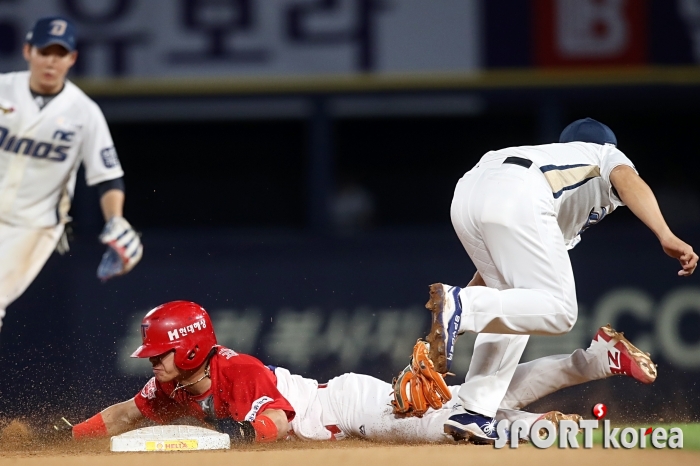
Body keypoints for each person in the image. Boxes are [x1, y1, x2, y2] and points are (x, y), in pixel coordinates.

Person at [422, 118, 694, 443]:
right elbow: (626, 178)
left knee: (516, 305)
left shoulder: (560, 177)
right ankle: (463, 308)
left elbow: (499, 270)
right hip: (519, 190)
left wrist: (461, 307)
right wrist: (665, 234)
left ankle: (473, 412)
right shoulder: (602, 153)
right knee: (561, 310)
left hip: (468, 191)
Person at [56, 300, 656, 445]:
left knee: (462, 428)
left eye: (159, 353)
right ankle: (597, 359)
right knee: (476, 399)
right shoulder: (170, 384)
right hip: (342, 410)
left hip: (350, 410)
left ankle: (546, 430)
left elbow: (271, 426)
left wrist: (212, 443)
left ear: (189, 351)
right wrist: (72, 443)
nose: (152, 362)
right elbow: (126, 413)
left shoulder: (235, 370)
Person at [0, 16, 143, 330]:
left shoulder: (84, 112)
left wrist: (116, 219)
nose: (51, 61)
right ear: (27, 51)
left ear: (72, 58)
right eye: (44, 51)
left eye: (60, 53)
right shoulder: (3, 89)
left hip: (33, 226)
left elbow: (107, 176)